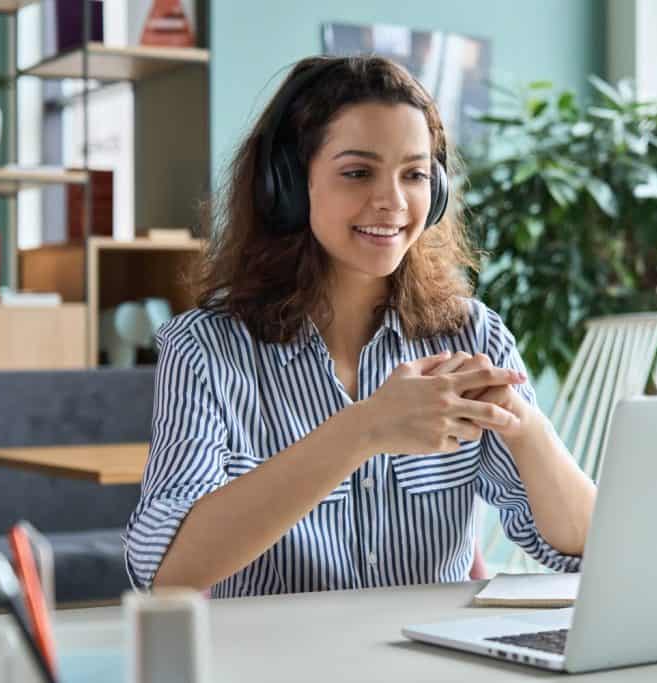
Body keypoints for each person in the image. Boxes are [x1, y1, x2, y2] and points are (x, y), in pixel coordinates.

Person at [123, 55, 596, 596]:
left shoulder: (472, 335)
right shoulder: (206, 349)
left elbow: (585, 549)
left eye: (415, 175)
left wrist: (527, 428)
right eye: (357, 172)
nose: (392, 202)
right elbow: (165, 571)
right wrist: (364, 428)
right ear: (289, 186)